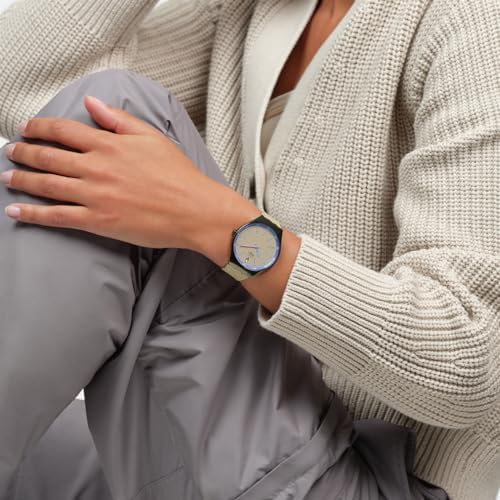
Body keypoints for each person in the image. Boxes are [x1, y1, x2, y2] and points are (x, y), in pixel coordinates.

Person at [0, 0, 498, 499]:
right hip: (235, 433)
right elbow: (31, 93)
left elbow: (468, 356)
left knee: (124, 106)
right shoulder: (253, 11)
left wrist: (218, 224)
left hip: (373, 480)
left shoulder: (474, 22)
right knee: (38, 446)